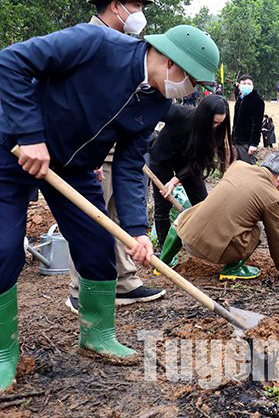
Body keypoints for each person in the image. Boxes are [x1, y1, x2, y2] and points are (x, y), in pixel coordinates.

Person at [0, 22, 219, 389]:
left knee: (98, 244)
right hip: (15, 147)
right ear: (170, 61)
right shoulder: (95, 44)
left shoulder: (156, 103)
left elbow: (131, 165)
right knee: (4, 248)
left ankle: (97, 334)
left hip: (74, 168)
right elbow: (10, 62)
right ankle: (3, 353)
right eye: (192, 81)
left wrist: (137, 231)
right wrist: (31, 135)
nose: (191, 90)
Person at [64, 0, 165, 315]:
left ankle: (124, 280)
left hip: (117, 150)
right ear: (115, 5)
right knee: (90, 218)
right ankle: (80, 287)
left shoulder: (128, 47)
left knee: (121, 216)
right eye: (136, 5)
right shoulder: (89, 42)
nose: (140, 12)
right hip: (88, 152)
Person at [157, 154, 279, 280]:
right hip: (216, 253)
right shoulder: (273, 197)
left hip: (187, 238)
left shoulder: (238, 166)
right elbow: (276, 236)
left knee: (190, 213)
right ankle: (232, 269)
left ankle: (163, 263)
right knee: (258, 225)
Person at [150, 95, 233, 249]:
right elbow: (152, 112)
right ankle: (164, 250)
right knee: (163, 205)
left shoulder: (217, 130)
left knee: (202, 203)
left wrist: (176, 180)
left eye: (219, 123)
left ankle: (210, 244)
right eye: (213, 122)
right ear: (204, 116)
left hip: (189, 164)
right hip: (162, 159)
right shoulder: (180, 114)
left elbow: (199, 162)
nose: (215, 127)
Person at [232, 75, 264, 164]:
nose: (246, 85)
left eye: (249, 84)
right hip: (237, 141)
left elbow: (257, 124)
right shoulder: (240, 100)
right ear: (239, 86)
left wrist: (254, 144)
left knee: (249, 167)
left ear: (252, 86)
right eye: (244, 83)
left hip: (247, 143)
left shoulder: (256, 100)